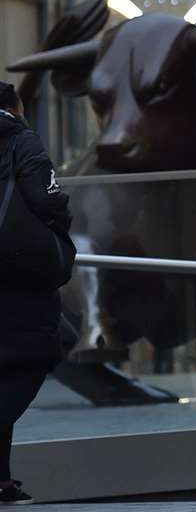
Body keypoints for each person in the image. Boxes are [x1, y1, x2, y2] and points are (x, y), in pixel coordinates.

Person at [0, 83, 71, 507]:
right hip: (19, 271)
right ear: (13, 107)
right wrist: (57, 230)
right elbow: (49, 199)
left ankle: (2, 482)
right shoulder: (21, 139)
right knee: (37, 353)